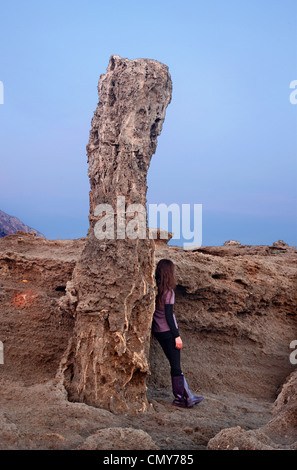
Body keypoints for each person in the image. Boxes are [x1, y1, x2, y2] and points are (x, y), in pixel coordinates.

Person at [152, 258, 204, 408]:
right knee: (176, 366)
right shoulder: (168, 292)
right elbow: (169, 316)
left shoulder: (155, 289)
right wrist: (177, 337)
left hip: (159, 331)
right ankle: (181, 398)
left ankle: (188, 396)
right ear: (170, 273)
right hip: (168, 332)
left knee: (174, 364)